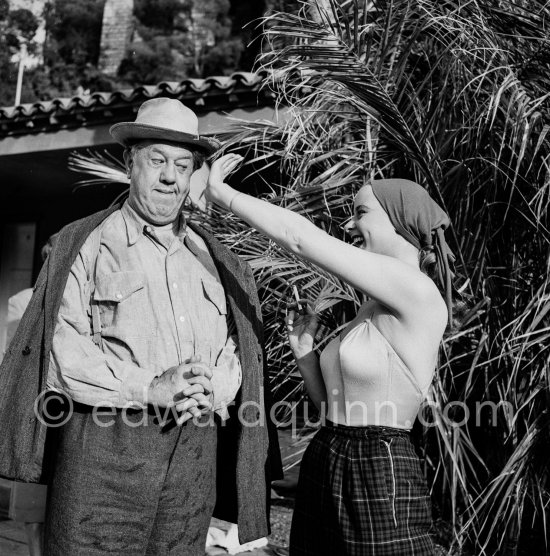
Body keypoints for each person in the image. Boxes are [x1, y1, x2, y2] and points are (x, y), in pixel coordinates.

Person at [0, 99, 281, 556]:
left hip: (194, 455)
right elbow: (60, 352)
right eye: (158, 160)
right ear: (130, 163)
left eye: (183, 165)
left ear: (194, 176)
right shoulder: (83, 243)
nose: (170, 177)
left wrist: (216, 388)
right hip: (104, 450)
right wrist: (150, 388)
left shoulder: (217, 259)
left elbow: (236, 346)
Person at [207, 153, 456, 555]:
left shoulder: (417, 291)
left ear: (399, 219)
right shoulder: (368, 308)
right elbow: (333, 410)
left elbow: (300, 239)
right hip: (329, 450)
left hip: (378, 463)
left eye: (361, 212)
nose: (349, 224)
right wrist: (306, 356)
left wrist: (223, 194)